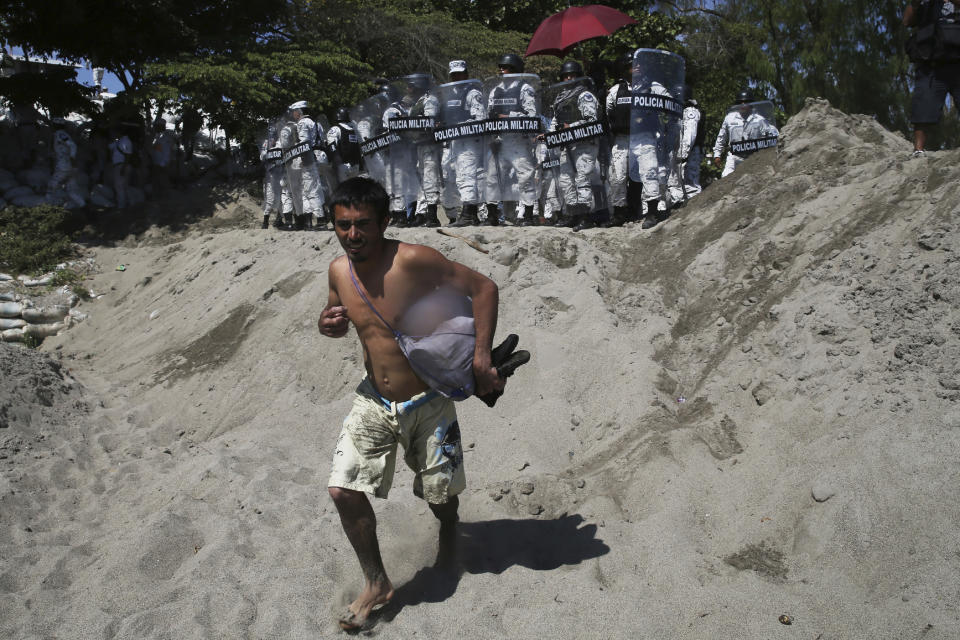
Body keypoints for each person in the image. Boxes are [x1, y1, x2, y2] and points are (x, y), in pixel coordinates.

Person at [318, 177, 504, 631]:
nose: (353, 235)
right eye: (343, 225)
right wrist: (328, 323)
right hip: (374, 399)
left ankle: (447, 529)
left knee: (441, 498)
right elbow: (335, 318)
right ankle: (377, 582)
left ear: (384, 222)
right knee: (342, 489)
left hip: (429, 402)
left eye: (363, 224)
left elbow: (484, 288)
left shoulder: (415, 260)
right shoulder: (338, 272)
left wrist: (481, 357)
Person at [545, 60, 602, 230]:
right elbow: (556, 121)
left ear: (578, 77)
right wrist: (549, 135)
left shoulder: (585, 95)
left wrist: (572, 127)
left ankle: (585, 216)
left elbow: (593, 121)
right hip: (566, 144)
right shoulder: (560, 98)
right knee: (566, 181)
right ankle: (573, 214)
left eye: (572, 75)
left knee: (582, 179)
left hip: (584, 144)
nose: (568, 78)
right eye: (565, 76)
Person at [483, 53, 539, 226]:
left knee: (525, 178)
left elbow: (532, 115)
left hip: (518, 141)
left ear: (515, 69)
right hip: (500, 141)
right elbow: (489, 114)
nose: (501, 70)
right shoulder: (496, 90)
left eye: (505, 67)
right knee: (492, 178)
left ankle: (528, 215)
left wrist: (507, 116)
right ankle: (492, 215)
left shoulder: (524, 88)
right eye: (500, 67)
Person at [904, 0, 960, 156]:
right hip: (932, 65)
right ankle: (918, 150)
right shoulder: (927, 3)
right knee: (923, 108)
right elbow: (907, 21)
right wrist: (915, 5)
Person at [439, 60, 486, 228]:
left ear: (466, 74)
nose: (457, 77)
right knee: (457, 177)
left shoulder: (472, 93)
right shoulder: (449, 95)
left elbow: (480, 118)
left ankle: (469, 214)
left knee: (468, 175)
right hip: (454, 142)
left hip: (470, 141)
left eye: (460, 74)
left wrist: (461, 126)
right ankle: (469, 214)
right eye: (454, 75)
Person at [605, 53, 638, 227]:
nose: (635, 69)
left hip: (641, 140)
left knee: (638, 177)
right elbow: (608, 113)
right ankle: (619, 213)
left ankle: (637, 211)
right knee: (617, 177)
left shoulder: (647, 88)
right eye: (632, 66)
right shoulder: (616, 91)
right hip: (621, 140)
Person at [289, 100, 327, 229]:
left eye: (294, 112)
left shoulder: (302, 123)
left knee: (310, 191)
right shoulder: (316, 123)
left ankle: (320, 220)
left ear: (299, 111)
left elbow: (304, 144)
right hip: (318, 158)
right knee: (316, 189)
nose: (293, 114)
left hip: (307, 160)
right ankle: (311, 221)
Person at [676, 85, 704, 199]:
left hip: (691, 152)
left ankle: (694, 209)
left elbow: (690, 135)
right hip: (684, 151)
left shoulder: (690, 111)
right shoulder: (681, 110)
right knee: (681, 182)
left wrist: (683, 155)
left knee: (691, 184)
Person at [48, 129, 86, 209]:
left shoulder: (61, 133)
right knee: (71, 190)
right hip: (67, 165)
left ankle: (48, 209)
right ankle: (84, 207)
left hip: (64, 166)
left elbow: (72, 145)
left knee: (52, 187)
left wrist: (72, 158)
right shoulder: (59, 134)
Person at [326, 107, 362, 184]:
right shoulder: (355, 129)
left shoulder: (335, 129)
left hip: (343, 166)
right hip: (356, 165)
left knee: (344, 189)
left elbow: (332, 146)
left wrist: (336, 162)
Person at [108, 128, 134, 209]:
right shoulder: (119, 141)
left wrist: (123, 167)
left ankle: (121, 206)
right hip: (119, 166)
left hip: (121, 166)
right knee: (123, 187)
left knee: (119, 187)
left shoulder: (125, 141)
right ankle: (127, 204)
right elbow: (109, 147)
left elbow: (128, 155)